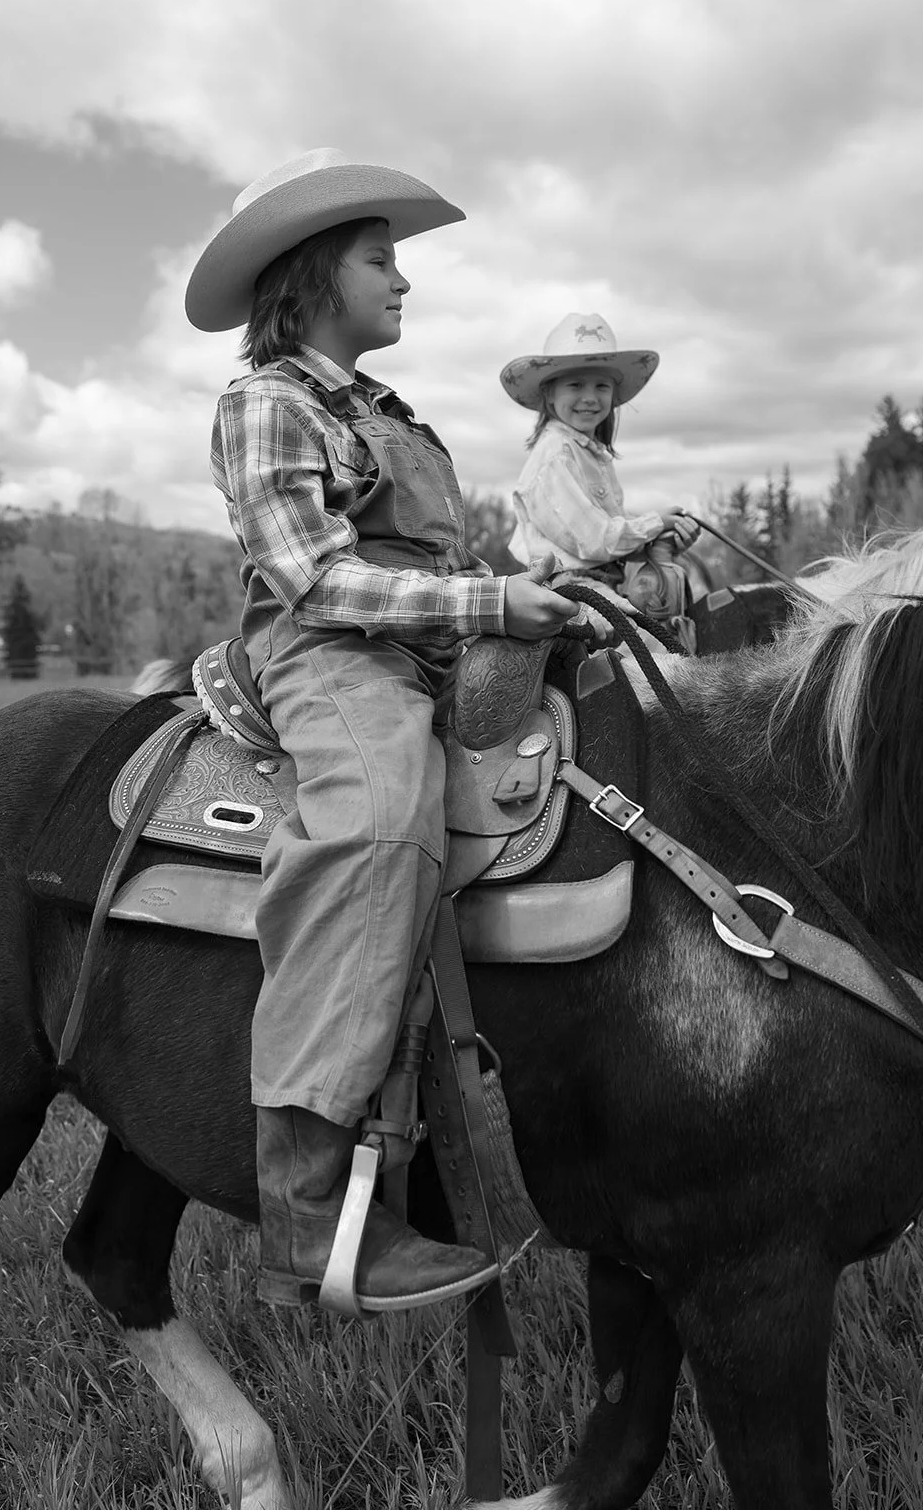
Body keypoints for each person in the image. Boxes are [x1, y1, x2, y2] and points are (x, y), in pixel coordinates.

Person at [185, 148, 589, 1313]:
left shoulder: (387, 414)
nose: (402, 281)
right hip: (331, 659)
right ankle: (311, 1212)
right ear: (315, 280)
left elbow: (452, 561)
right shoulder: (265, 403)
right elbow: (315, 579)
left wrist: (545, 595)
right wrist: (483, 605)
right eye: (380, 262)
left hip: (433, 640)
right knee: (376, 830)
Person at [503, 314, 700, 628]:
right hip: (569, 585)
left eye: (601, 386)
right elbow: (594, 540)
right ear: (550, 393)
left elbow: (604, 538)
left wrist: (663, 536)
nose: (590, 397)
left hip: (603, 579)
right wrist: (654, 522)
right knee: (646, 640)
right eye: (576, 385)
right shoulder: (555, 454)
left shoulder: (590, 454)